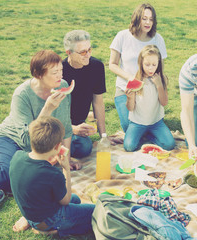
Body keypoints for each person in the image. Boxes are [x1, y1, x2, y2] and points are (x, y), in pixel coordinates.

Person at [0, 50, 80, 195]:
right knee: (4, 178)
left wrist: (67, 157)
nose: (60, 76)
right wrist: (47, 109)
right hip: (12, 139)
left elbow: (65, 126)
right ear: (39, 74)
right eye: (54, 72)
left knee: (83, 147)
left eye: (61, 70)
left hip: (40, 144)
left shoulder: (62, 86)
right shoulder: (22, 94)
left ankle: (0, 163)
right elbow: (28, 141)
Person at [10, 116, 95, 237]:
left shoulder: (17, 156)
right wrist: (66, 169)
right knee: (95, 212)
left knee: (76, 199)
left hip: (32, 214)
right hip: (48, 220)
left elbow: (34, 180)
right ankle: (52, 232)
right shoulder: (52, 174)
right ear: (57, 146)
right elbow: (65, 201)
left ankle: (34, 223)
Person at [109, 3, 167, 132]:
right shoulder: (122, 36)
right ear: (137, 18)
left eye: (151, 19)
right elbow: (112, 65)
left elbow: (161, 69)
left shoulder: (158, 39)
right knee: (128, 127)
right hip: (126, 88)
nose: (148, 22)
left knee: (146, 127)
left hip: (150, 90)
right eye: (144, 18)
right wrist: (130, 77)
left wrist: (160, 86)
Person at [62, 30, 114, 158]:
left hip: (80, 121)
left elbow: (98, 103)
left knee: (83, 149)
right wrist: (72, 129)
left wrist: (103, 137)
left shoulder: (97, 67)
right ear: (69, 53)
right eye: (83, 52)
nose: (88, 55)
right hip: (61, 123)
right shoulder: (59, 71)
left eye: (89, 49)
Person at [123, 45, 175, 152]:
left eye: (154, 65)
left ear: (159, 64)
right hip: (137, 123)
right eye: (147, 65)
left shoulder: (162, 78)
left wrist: (159, 85)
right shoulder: (135, 80)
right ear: (141, 63)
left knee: (169, 145)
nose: (150, 68)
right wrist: (129, 98)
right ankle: (143, 134)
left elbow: (164, 103)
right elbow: (130, 108)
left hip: (156, 122)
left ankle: (148, 136)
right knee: (129, 147)